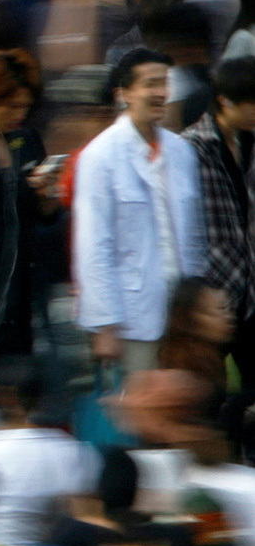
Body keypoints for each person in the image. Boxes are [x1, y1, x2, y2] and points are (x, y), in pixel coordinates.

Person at [74, 49, 205, 373]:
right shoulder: (100, 157)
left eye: (165, 84)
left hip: (182, 315)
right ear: (125, 93)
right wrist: (105, 325)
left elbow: (194, 235)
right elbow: (93, 245)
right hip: (133, 316)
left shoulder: (182, 151)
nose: (161, 93)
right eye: (151, 84)